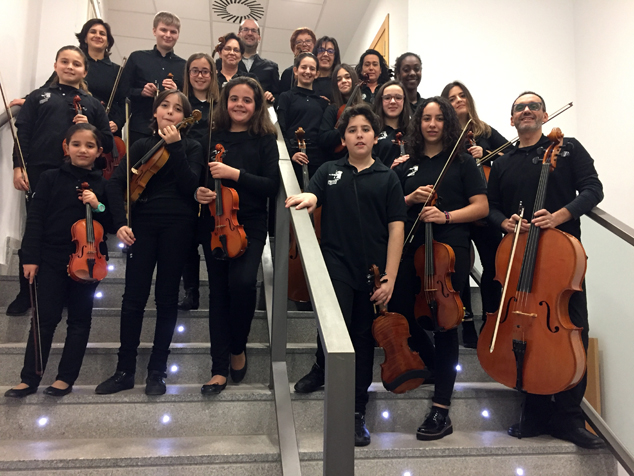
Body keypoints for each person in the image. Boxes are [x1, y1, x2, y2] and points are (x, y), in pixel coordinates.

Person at [487, 91, 604, 449]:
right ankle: (535, 411)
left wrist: (559, 216)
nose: (527, 111)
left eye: (533, 106)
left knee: (573, 331)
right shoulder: (504, 162)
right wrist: (505, 222)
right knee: (526, 331)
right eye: (519, 108)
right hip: (519, 259)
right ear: (511, 120)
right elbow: (491, 206)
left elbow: (593, 190)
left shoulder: (568, 149)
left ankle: (569, 417)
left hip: (561, 260)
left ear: (544, 115)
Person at [288, 103, 406, 447]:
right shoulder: (329, 170)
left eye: (365, 129)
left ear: (374, 136)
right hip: (336, 263)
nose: (359, 135)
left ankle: (356, 410)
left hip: (373, 272)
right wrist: (309, 195)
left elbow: (396, 229)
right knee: (333, 324)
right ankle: (321, 367)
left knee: (363, 337)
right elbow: (314, 193)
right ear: (343, 137)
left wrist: (390, 277)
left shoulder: (387, 177)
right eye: (352, 130)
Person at [391, 97, 488, 441]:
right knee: (401, 310)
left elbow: (481, 207)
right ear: (418, 124)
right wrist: (409, 199)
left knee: (446, 324)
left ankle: (441, 408)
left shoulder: (462, 162)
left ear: (447, 123)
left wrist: (445, 216)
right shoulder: (406, 165)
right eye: (426, 118)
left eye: (438, 119)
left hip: (450, 250)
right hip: (411, 249)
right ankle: (433, 364)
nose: (432, 124)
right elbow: (390, 208)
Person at [96, 90, 204, 396]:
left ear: (185, 117)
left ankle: (157, 371)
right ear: (155, 112)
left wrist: (176, 146)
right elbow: (116, 185)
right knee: (133, 298)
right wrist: (120, 223)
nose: (170, 112)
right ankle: (124, 371)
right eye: (164, 106)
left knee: (167, 298)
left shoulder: (192, 146)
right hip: (142, 225)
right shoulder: (141, 145)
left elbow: (190, 185)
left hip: (178, 226)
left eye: (178, 109)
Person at [4, 124, 112, 398]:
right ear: (66, 147)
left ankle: (66, 378)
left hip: (89, 260)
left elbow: (112, 222)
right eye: (76, 144)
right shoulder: (50, 178)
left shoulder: (103, 183)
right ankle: (29, 378)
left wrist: (97, 205)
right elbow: (36, 219)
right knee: (44, 319)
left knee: (79, 320)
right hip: (52, 257)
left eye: (89, 146)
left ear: (99, 151)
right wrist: (30, 258)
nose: (83, 150)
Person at [7, 45, 113, 317]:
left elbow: (108, 142)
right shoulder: (39, 96)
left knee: (75, 233)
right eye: (64, 61)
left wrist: (89, 125)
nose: (70, 67)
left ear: (85, 71)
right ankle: (26, 293)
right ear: (55, 66)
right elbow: (23, 134)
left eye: (76, 63)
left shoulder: (92, 104)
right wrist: (19, 167)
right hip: (41, 171)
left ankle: (69, 285)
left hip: (80, 177)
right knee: (36, 228)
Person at [194, 77, 279, 395]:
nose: (240, 104)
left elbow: (271, 185)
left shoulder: (264, 139)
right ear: (224, 102)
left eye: (247, 100)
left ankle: (237, 346)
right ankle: (218, 369)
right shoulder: (211, 137)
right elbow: (197, 178)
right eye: (234, 99)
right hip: (215, 222)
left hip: (251, 223)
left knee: (242, 283)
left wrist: (234, 174)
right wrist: (199, 192)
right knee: (218, 293)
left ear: (257, 106)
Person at [441, 80, 508, 348]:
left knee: (492, 266)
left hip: (486, 210)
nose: (458, 100)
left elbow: (512, 155)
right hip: (458, 208)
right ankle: (467, 324)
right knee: (460, 267)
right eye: (452, 98)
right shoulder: (444, 136)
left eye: (462, 95)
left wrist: (487, 154)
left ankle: (491, 322)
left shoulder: (485, 130)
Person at [177, 53, 221, 311]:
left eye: (205, 71)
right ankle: (190, 291)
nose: (200, 75)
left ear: (212, 74)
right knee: (187, 237)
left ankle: (217, 292)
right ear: (188, 74)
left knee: (209, 231)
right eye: (195, 70)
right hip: (186, 170)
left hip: (213, 171)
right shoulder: (181, 103)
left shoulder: (220, 103)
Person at [119, 11, 185, 145]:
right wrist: (141, 92)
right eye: (163, 30)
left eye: (173, 32)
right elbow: (122, 91)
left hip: (171, 130)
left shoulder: (185, 66)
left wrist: (177, 92)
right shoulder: (137, 58)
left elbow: (189, 100)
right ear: (154, 31)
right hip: (139, 128)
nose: (168, 35)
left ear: (178, 35)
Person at [277, 53, 328, 178]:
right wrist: (291, 153)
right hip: (294, 155)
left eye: (312, 68)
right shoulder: (286, 97)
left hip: (317, 157)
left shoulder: (322, 102)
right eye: (304, 67)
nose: (308, 71)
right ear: (296, 70)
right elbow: (281, 130)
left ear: (317, 74)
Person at [318, 64, 363, 160]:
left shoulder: (365, 108)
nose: (343, 81)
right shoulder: (332, 109)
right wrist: (345, 129)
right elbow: (323, 139)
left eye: (347, 77)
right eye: (339, 79)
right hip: (338, 159)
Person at [235, 19, 280, 104]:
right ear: (238, 35)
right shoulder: (229, 64)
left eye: (253, 30)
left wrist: (271, 98)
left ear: (259, 38)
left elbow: (277, 97)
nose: (250, 33)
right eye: (245, 29)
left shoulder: (271, 67)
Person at [372, 80, 411, 168]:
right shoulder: (372, 132)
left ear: (404, 101)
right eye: (387, 98)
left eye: (398, 98)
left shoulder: (413, 132)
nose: (393, 101)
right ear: (380, 101)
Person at [280, 27, 316, 94]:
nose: (304, 44)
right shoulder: (288, 73)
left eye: (308, 41)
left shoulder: (320, 71)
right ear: (293, 49)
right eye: (299, 42)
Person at [311, 36, 341, 102]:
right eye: (321, 50)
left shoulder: (339, 82)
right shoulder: (308, 79)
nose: (325, 54)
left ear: (335, 57)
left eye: (330, 51)